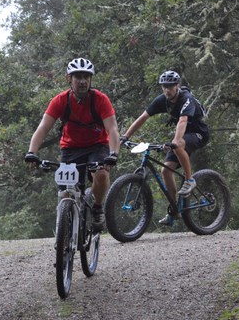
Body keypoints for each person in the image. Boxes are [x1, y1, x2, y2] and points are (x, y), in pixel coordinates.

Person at [25, 57, 120, 230]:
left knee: (100, 174)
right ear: (69, 78)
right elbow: (43, 128)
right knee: (66, 194)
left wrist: (113, 154)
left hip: (97, 145)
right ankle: (65, 231)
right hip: (71, 148)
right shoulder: (60, 101)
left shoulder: (100, 100)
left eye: (86, 77)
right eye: (78, 77)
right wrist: (32, 152)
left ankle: (98, 208)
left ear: (90, 79)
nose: (82, 81)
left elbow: (112, 129)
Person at [121, 70, 210, 226]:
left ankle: (190, 180)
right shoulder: (162, 100)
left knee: (178, 144)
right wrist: (125, 136)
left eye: (170, 86)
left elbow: (182, 121)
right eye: (164, 86)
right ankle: (174, 210)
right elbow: (143, 118)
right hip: (182, 135)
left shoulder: (186, 99)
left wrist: (175, 141)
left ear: (177, 86)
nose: (167, 90)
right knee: (166, 170)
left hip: (198, 133)